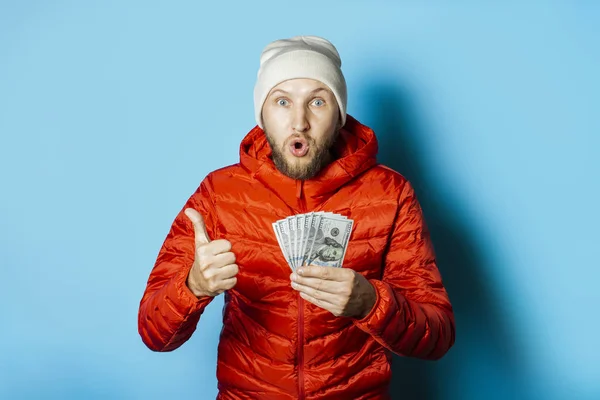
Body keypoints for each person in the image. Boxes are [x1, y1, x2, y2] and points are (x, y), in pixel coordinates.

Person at [138, 35, 455, 400]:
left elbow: (438, 336)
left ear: (339, 116)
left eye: (317, 101)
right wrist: (192, 287)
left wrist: (372, 303)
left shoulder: (390, 194)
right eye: (282, 102)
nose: (299, 122)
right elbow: (153, 333)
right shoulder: (218, 194)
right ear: (262, 115)